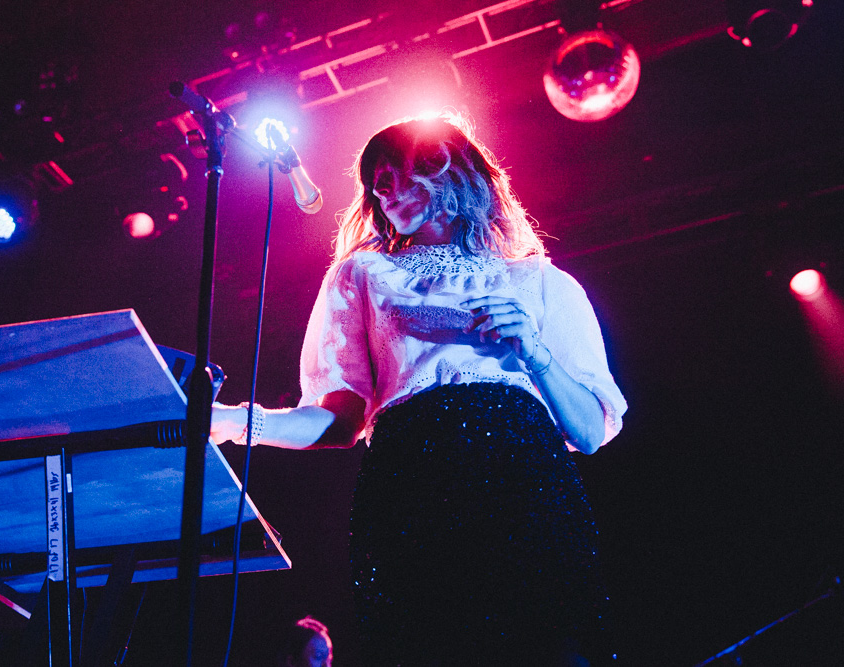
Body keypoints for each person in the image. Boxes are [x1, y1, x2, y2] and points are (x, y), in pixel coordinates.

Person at [211, 112, 627, 665]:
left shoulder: (542, 282)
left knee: (546, 645)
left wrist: (535, 352)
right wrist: (233, 422)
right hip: (412, 484)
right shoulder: (363, 274)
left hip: (523, 485)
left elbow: (590, 432)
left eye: (401, 171)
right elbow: (336, 421)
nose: (384, 189)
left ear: (456, 170)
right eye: (375, 181)